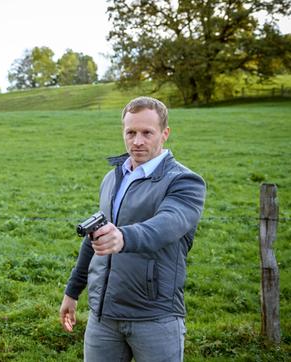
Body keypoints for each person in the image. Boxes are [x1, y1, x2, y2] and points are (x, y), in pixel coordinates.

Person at [59, 96, 206, 361]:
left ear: (165, 133)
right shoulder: (113, 177)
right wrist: (72, 291)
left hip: (155, 317)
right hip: (103, 317)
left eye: (147, 132)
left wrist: (123, 237)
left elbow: (166, 225)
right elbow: (95, 238)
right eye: (131, 132)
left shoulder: (185, 182)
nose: (137, 141)